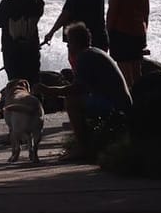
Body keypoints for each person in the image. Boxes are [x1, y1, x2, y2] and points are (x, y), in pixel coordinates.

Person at [42, 23, 132, 159]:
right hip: (120, 102)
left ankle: (83, 148)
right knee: (79, 99)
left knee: (72, 101)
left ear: (76, 43)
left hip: (116, 106)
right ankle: (91, 142)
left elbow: (76, 89)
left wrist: (48, 90)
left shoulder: (85, 57)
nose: (67, 46)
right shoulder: (94, 52)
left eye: (69, 42)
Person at [106, 0, 149, 85]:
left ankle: (129, 102)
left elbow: (113, 11)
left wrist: (108, 31)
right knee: (137, 72)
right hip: (138, 31)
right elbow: (146, 11)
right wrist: (144, 29)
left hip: (121, 33)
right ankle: (140, 100)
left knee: (124, 73)